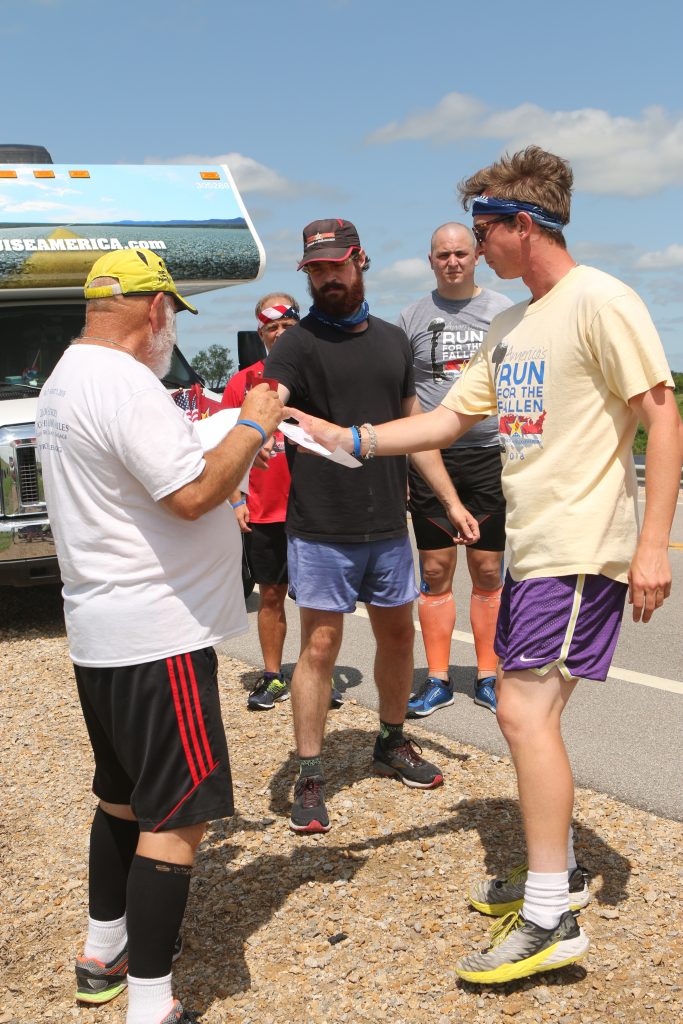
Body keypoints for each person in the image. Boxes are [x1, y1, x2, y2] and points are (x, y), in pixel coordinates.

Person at [285, 149, 683, 982]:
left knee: (522, 715)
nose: (473, 248)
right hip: (536, 546)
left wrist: (652, 544)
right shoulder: (511, 327)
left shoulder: (601, 300)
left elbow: (660, 413)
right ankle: (553, 875)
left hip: (579, 547)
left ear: (522, 225)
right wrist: (348, 436)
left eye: (482, 230)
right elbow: (441, 422)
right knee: (530, 718)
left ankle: (548, 917)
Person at [37, 248, 282, 1024]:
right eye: (171, 313)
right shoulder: (124, 381)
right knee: (176, 818)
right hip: (157, 634)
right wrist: (253, 424)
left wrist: (222, 431)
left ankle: (101, 951)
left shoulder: (66, 376)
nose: (170, 327)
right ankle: (151, 1003)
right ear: (154, 310)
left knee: (120, 800)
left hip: (101, 629)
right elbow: (193, 493)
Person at [264, 218, 464, 835]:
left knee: (399, 638)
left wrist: (449, 500)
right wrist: (257, 431)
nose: (327, 277)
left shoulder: (393, 342)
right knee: (320, 646)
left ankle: (391, 740)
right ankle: (309, 772)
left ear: (360, 261)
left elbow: (415, 430)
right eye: (316, 269)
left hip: (387, 526)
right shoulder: (296, 345)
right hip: (322, 526)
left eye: (336, 265)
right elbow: (271, 399)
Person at [400, 223, 512, 717]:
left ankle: (488, 674)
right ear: (430, 260)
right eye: (443, 255)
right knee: (434, 569)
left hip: (489, 454)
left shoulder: (503, 311)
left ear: (477, 256)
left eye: (461, 254)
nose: (452, 262)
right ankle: (439, 678)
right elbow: (404, 398)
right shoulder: (411, 317)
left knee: (487, 568)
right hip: (431, 458)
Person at [222, 293, 345, 711]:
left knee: (317, 600)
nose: (278, 334)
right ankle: (273, 676)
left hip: (315, 506)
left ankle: (319, 674)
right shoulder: (243, 383)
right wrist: (235, 499)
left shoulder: (320, 374)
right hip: (265, 508)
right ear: (261, 333)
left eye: (287, 326)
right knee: (271, 595)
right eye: (271, 328)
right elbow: (224, 445)